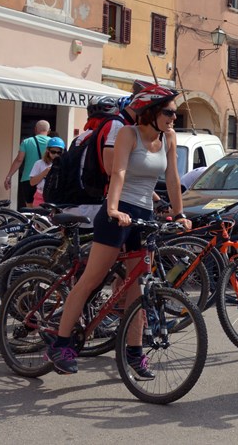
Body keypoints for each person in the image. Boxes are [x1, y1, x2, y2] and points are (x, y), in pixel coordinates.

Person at [45, 85, 187, 376]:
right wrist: (111, 208)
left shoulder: (169, 138)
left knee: (138, 285)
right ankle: (60, 344)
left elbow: (172, 177)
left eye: (175, 112)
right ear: (150, 111)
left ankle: (134, 352)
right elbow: (118, 172)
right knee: (91, 279)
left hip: (143, 214)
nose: (174, 118)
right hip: (118, 211)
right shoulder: (127, 133)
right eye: (169, 112)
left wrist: (179, 212)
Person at [4, 120, 51, 207]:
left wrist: (9, 176)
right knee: (46, 208)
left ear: (35, 129)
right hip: (47, 180)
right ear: (49, 131)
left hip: (28, 179)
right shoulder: (53, 143)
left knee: (30, 208)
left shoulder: (27, 142)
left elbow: (19, 160)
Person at [28, 137, 65, 206]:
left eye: (59, 152)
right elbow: (32, 182)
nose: (56, 155)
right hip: (40, 196)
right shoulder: (39, 163)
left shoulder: (64, 164)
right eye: (53, 152)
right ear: (48, 151)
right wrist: (44, 173)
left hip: (57, 197)